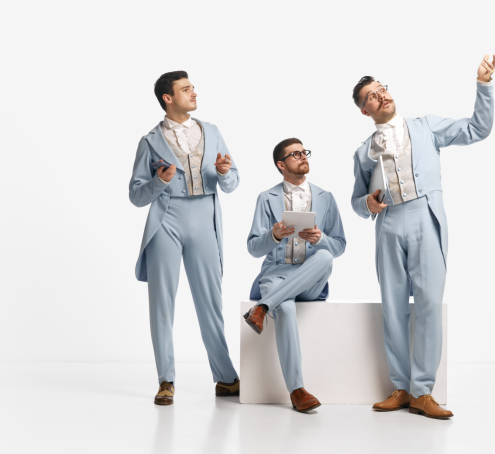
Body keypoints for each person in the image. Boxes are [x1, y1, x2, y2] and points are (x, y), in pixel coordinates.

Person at [351, 54, 495, 419]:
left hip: (423, 216)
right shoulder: (362, 151)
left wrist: (483, 86)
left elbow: (476, 130)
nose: (381, 96)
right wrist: (368, 205)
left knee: (430, 303)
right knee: (394, 307)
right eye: (372, 96)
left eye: (382, 89)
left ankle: (423, 392)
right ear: (364, 110)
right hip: (388, 224)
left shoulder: (424, 127)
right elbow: (356, 202)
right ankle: (401, 388)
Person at [129, 70, 240, 405]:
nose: (194, 92)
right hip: (167, 219)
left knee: (210, 300)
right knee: (162, 302)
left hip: (204, 216)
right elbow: (136, 195)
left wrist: (223, 172)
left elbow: (233, 181)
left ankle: (225, 377)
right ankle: (166, 380)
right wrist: (160, 181)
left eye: (193, 87)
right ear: (168, 98)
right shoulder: (150, 141)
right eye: (186, 89)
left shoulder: (213, 132)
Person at [243, 138, 346, 412]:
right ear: (281, 164)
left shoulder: (326, 198)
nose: (302, 156)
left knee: (325, 256)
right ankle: (297, 390)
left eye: (304, 151)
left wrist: (320, 238)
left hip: (310, 278)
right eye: (295, 154)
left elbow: (340, 246)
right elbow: (253, 247)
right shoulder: (267, 198)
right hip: (276, 275)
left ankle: (263, 307)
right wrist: (274, 234)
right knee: (286, 310)